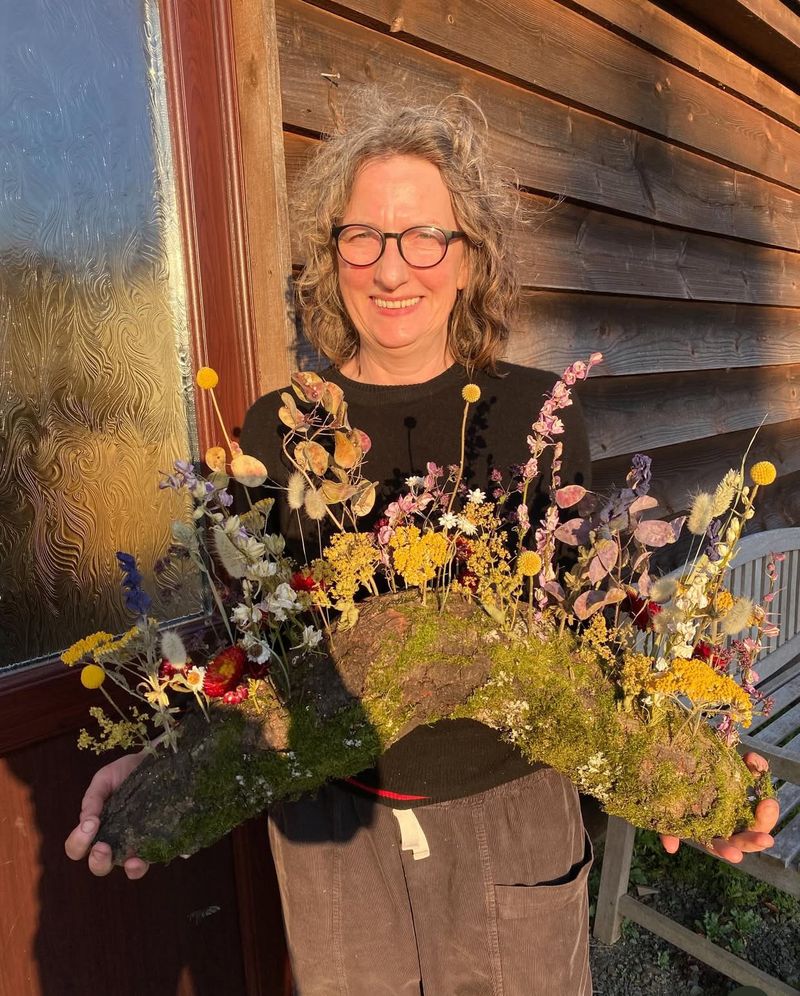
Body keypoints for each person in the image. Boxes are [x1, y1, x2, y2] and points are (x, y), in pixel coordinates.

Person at [66, 91, 779, 995]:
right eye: (363, 235)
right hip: (337, 839)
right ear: (332, 256)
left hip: (510, 823)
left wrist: (680, 772)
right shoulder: (274, 430)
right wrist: (173, 754)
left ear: (469, 256)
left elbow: (580, 655)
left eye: (424, 237)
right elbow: (252, 655)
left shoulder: (534, 417)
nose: (392, 268)